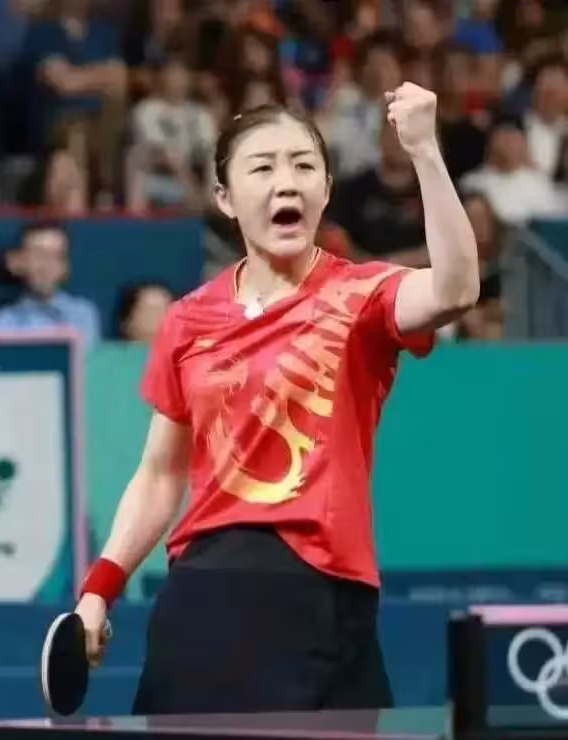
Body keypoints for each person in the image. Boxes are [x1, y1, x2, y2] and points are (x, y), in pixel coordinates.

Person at [74, 83, 479, 715]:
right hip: (206, 591)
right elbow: (159, 474)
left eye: (303, 166)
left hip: (325, 588)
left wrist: (425, 149)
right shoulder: (188, 319)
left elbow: (455, 288)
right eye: (263, 168)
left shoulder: (362, 295)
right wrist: (100, 588)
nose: (286, 182)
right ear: (226, 198)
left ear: (326, 189)